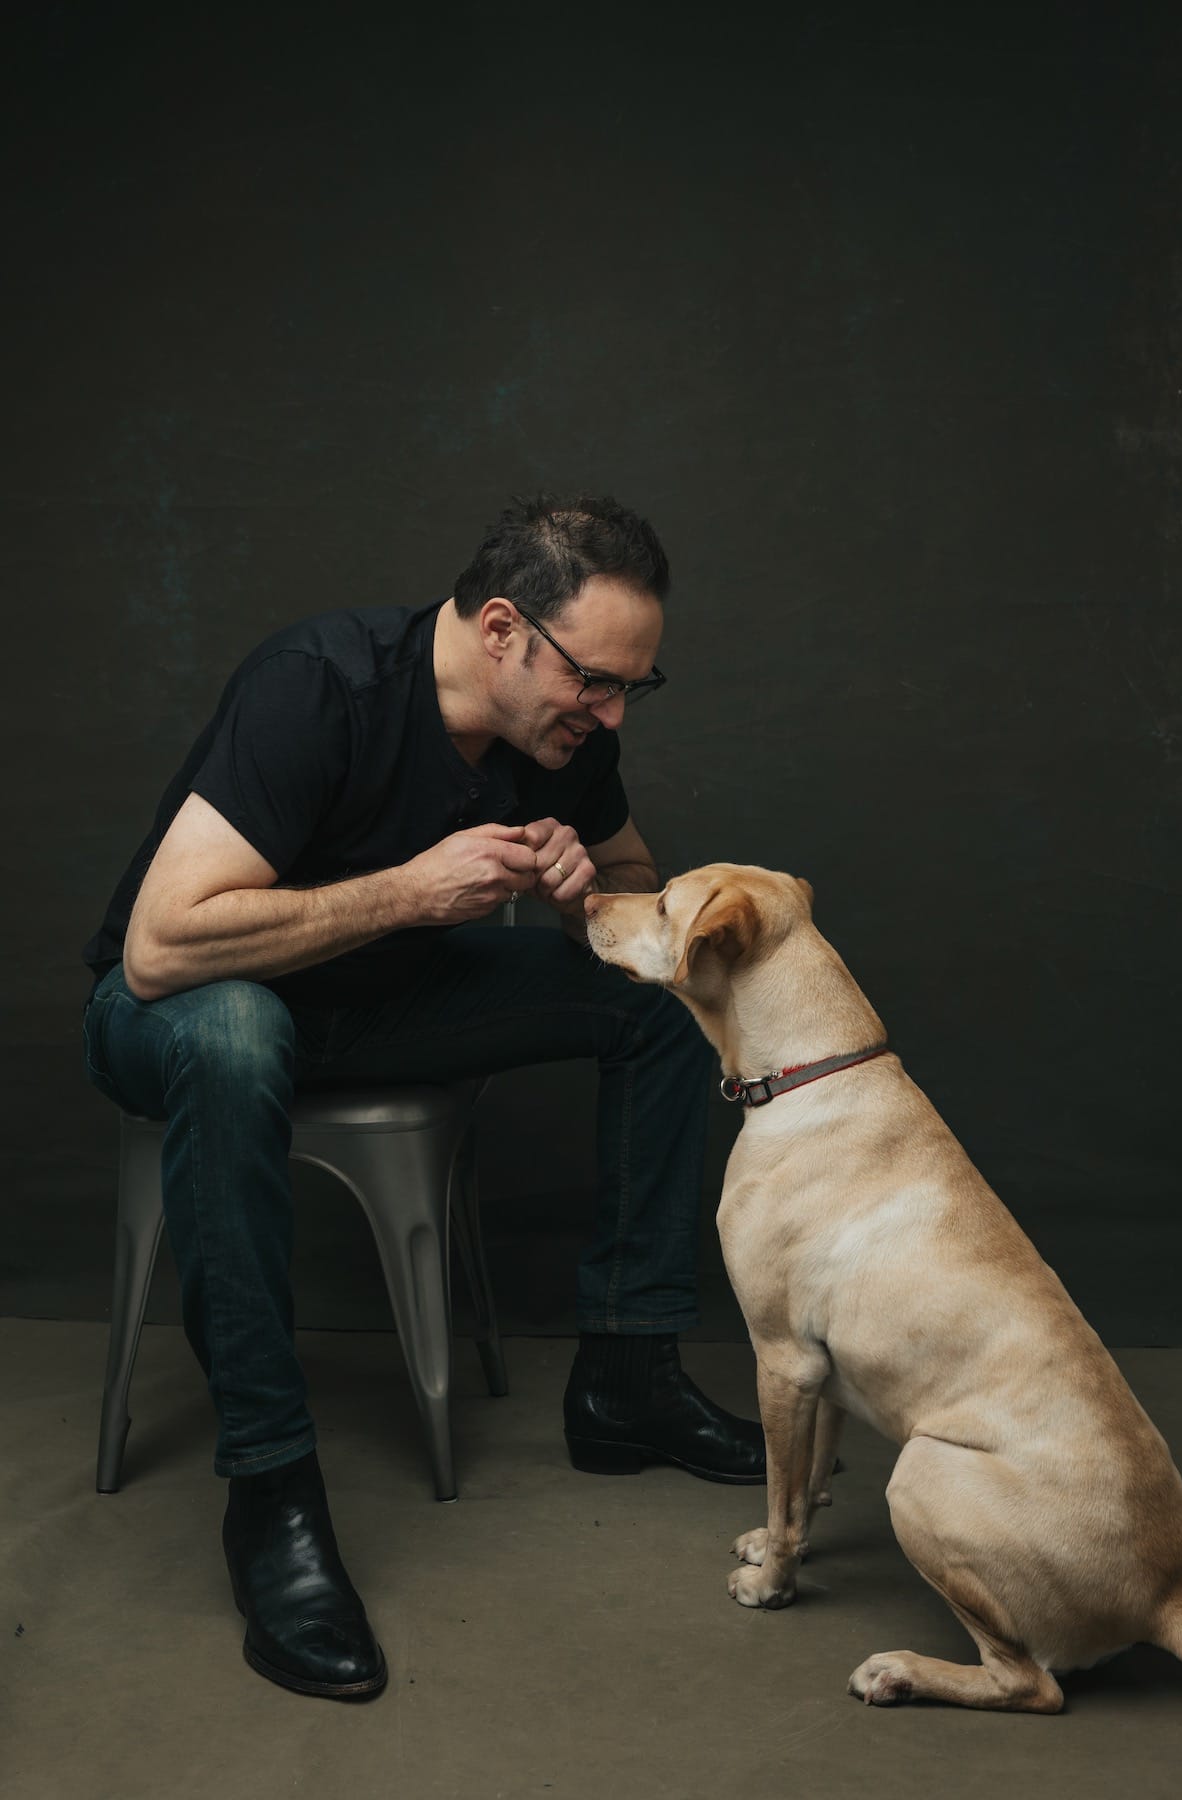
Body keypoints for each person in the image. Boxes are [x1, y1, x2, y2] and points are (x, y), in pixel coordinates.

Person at [81, 492, 765, 1702]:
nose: (610, 714)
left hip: (380, 1004)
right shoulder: (319, 686)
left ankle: (628, 1377)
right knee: (237, 1033)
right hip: (181, 1010)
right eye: (595, 682)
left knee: (666, 998)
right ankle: (272, 1490)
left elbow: (634, 881)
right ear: (502, 630)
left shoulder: (564, 736)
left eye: (632, 690)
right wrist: (405, 892)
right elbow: (160, 948)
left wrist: (582, 891)